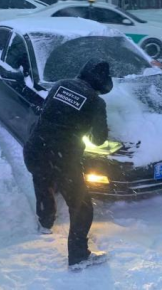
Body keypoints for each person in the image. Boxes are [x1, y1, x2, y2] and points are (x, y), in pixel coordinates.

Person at [23, 58, 113, 270]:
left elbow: (47, 110)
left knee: (43, 184)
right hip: (63, 158)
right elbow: (99, 140)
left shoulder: (61, 84)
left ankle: (45, 224)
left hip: (36, 147)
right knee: (81, 206)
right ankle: (78, 257)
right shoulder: (96, 102)